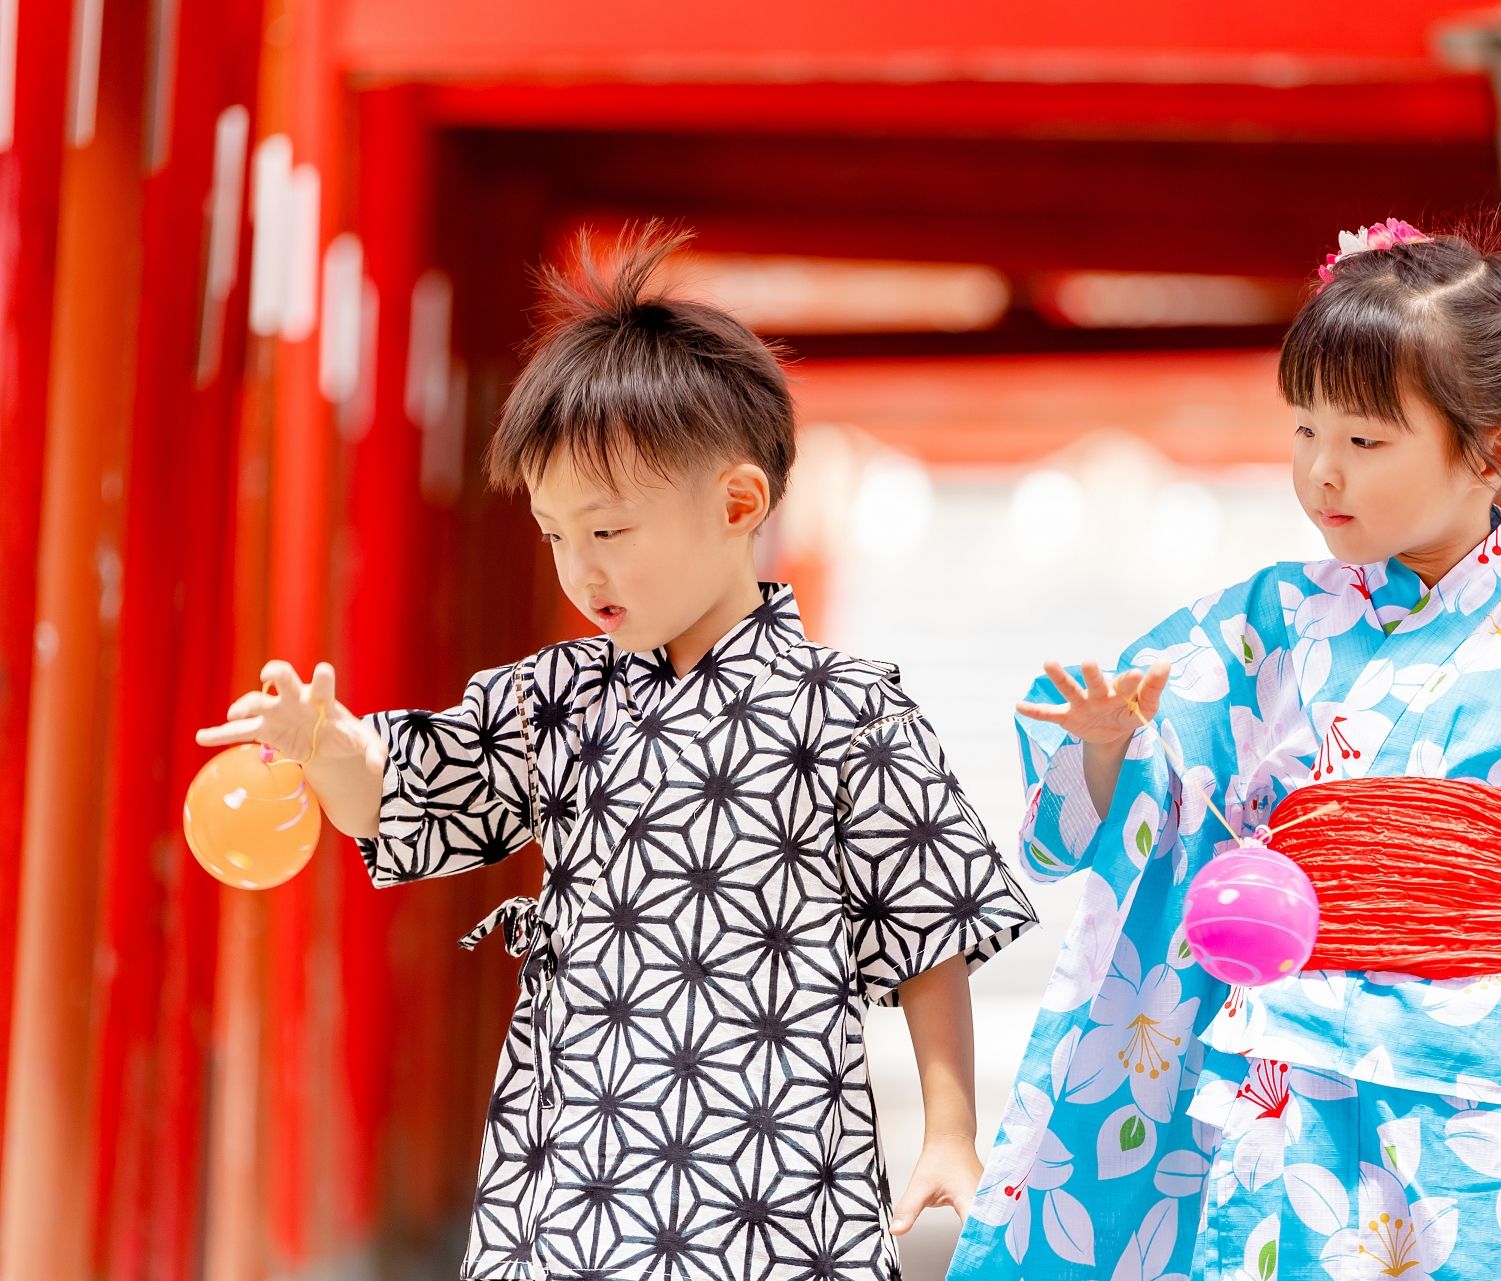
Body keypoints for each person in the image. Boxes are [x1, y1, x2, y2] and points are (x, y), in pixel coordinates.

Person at [948, 218, 1501, 1280]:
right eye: (1305, 430)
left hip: (1496, 1089)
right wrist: (1111, 752)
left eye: (1363, 440)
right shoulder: (1258, 625)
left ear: (1495, 452)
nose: (1320, 473)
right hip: (1291, 1068)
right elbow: (1135, 826)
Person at [197, 226, 1039, 1281]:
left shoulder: (849, 712)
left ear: (738, 505)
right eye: (555, 535)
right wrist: (327, 744)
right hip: (569, 1186)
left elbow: (927, 931)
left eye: (609, 531)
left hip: (775, 1188)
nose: (579, 569)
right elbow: (402, 795)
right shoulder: (552, 702)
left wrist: (950, 1129)